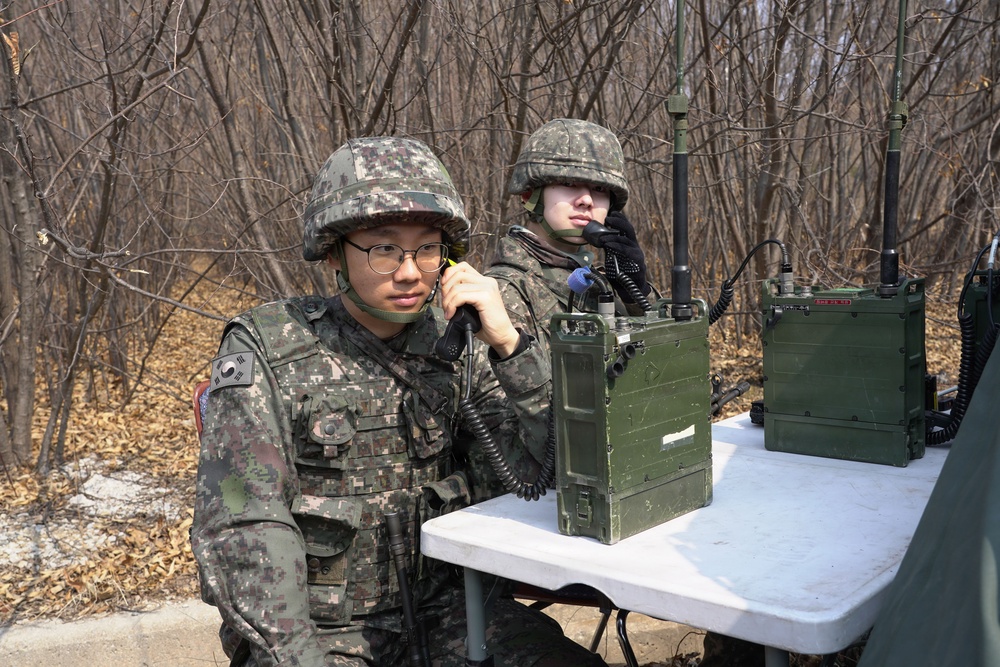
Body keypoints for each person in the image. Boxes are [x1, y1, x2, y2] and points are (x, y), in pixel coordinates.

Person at [190, 136, 607, 667]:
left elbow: (539, 473)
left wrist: (510, 345)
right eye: (384, 249)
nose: (410, 271)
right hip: (322, 636)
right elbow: (243, 526)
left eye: (427, 249)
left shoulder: (456, 345)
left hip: (452, 613)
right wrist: (296, 655)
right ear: (336, 251)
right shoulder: (269, 348)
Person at [486, 117, 655, 356]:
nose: (586, 200)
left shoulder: (604, 281)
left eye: (599, 189)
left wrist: (636, 293)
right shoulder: (502, 292)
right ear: (529, 194)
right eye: (568, 183)